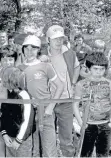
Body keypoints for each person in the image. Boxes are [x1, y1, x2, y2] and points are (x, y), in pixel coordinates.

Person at [19, 35, 64, 157]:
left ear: (38, 49)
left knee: (49, 149)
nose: (29, 52)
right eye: (26, 48)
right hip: (26, 112)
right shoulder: (19, 68)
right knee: (31, 149)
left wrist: (50, 107)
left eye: (33, 48)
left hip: (44, 111)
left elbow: (60, 86)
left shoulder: (45, 66)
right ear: (22, 49)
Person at [41, 25, 80, 157]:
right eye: (55, 39)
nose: (58, 41)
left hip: (66, 100)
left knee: (66, 137)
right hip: (47, 101)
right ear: (48, 40)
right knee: (47, 137)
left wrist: (73, 83)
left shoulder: (69, 53)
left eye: (60, 39)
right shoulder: (42, 54)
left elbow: (77, 68)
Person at [73, 52, 111, 157]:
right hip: (88, 125)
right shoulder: (81, 85)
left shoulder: (110, 84)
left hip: (105, 124)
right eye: (95, 69)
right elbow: (75, 105)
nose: (99, 72)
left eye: (102, 69)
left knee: (103, 154)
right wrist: (81, 122)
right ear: (89, 68)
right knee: (85, 153)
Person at [0, 66, 35, 157]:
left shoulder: (24, 96)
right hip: (9, 137)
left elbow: (27, 121)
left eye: (4, 80)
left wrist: (19, 139)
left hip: (22, 139)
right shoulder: (6, 94)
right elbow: (3, 115)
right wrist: (4, 133)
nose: (2, 83)